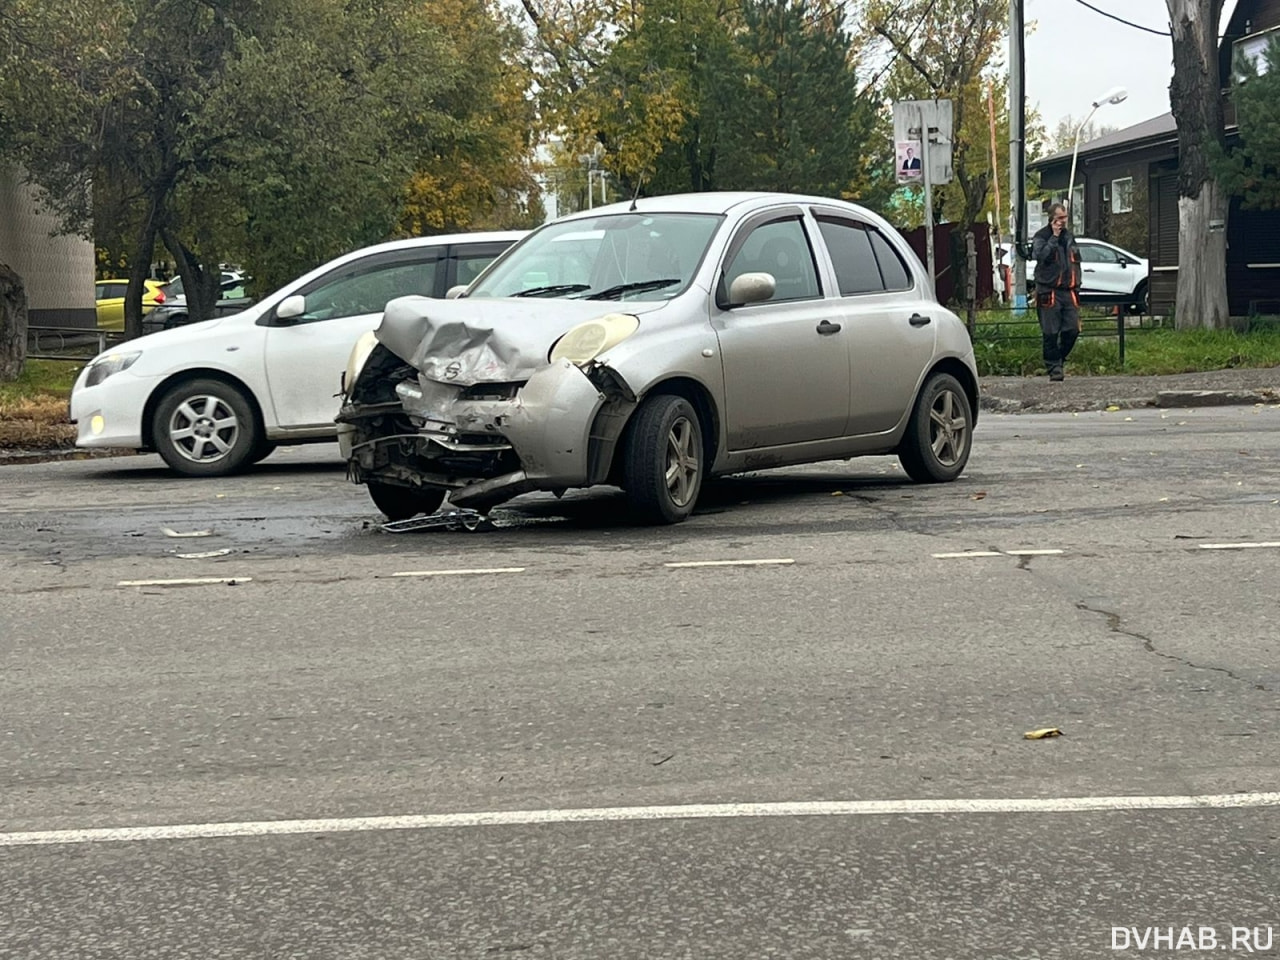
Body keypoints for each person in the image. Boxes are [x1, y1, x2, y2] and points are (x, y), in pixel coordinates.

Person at [1031, 203, 1082, 381]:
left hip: (1068, 291)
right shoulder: (1041, 237)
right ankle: (1054, 368)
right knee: (1050, 332)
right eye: (1059, 218)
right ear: (1051, 219)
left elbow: (1076, 263)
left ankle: (1059, 358)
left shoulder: (1069, 237)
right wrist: (1053, 237)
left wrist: (1078, 285)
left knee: (1073, 329)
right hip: (1049, 290)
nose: (1063, 222)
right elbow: (1040, 256)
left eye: (1065, 218)